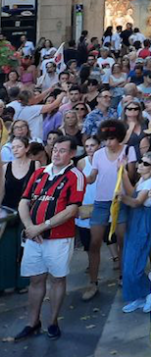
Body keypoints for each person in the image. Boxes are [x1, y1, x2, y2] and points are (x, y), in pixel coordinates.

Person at [14, 136, 84, 341]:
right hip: (34, 237)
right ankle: (32, 322)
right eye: (55, 150)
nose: (56, 154)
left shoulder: (75, 176)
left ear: (72, 154)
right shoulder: (39, 173)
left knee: (57, 279)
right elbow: (23, 202)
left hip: (59, 238)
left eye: (62, 150)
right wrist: (30, 227)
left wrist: (41, 227)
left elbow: (72, 210)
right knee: (35, 280)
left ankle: (53, 322)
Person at [83, 119, 137, 302]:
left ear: (119, 137)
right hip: (101, 201)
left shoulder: (128, 150)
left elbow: (132, 175)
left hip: (121, 200)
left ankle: (123, 276)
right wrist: (83, 179)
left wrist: (124, 166)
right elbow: (92, 176)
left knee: (122, 238)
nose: (108, 142)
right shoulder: (98, 154)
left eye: (112, 138)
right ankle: (93, 281)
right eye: (106, 139)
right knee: (95, 241)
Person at [118, 151, 151, 314]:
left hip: (143, 223)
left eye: (146, 163)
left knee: (134, 263)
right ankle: (139, 296)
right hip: (135, 221)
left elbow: (136, 202)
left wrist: (121, 198)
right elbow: (131, 192)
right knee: (129, 262)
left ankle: (150, 292)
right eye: (141, 161)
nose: (141, 165)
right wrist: (122, 171)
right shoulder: (143, 180)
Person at [0, 136, 38, 293]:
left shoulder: (35, 165)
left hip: (27, 211)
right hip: (8, 211)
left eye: (19, 146)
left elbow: (38, 189)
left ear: (27, 148)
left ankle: (22, 282)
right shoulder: (6, 167)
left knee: (24, 247)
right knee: (5, 248)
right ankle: (3, 283)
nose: (15, 150)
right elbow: (2, 190)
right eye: (13, 147)